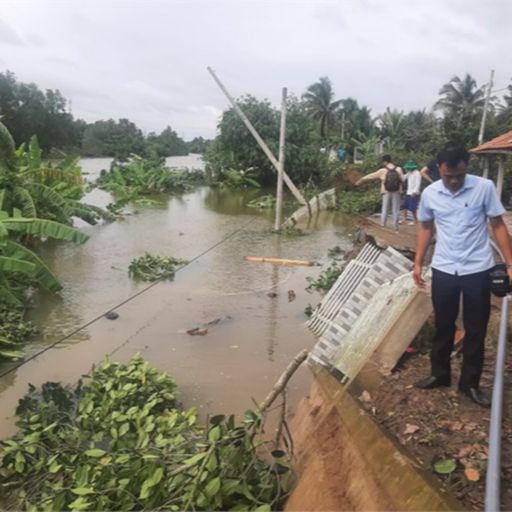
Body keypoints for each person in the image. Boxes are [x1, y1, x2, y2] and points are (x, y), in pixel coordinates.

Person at [413, 146, 512, 408]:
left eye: (459, 175)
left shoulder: (484, 187)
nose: (454, 181)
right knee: (443, 324)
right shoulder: (431, 193)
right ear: (439, 171)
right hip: (444, 268)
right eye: (448, 176)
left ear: (466, 167)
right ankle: (439, 373)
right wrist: (418, 262)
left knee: (475, 329)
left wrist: (510, 262)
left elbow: (498, 224)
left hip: (478, 269)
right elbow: (425, 227)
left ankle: (469, 383)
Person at [355, 154, 404, 230]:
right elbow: (403, 180)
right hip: (397, 191)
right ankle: (396, 226)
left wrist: (361, 180)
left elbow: (371, 176)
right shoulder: (399, 169)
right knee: (396, 209)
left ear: (385, 162)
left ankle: (383, 224)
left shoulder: (383, 170)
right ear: (391, 160)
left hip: (386, 191)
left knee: (385, 208)